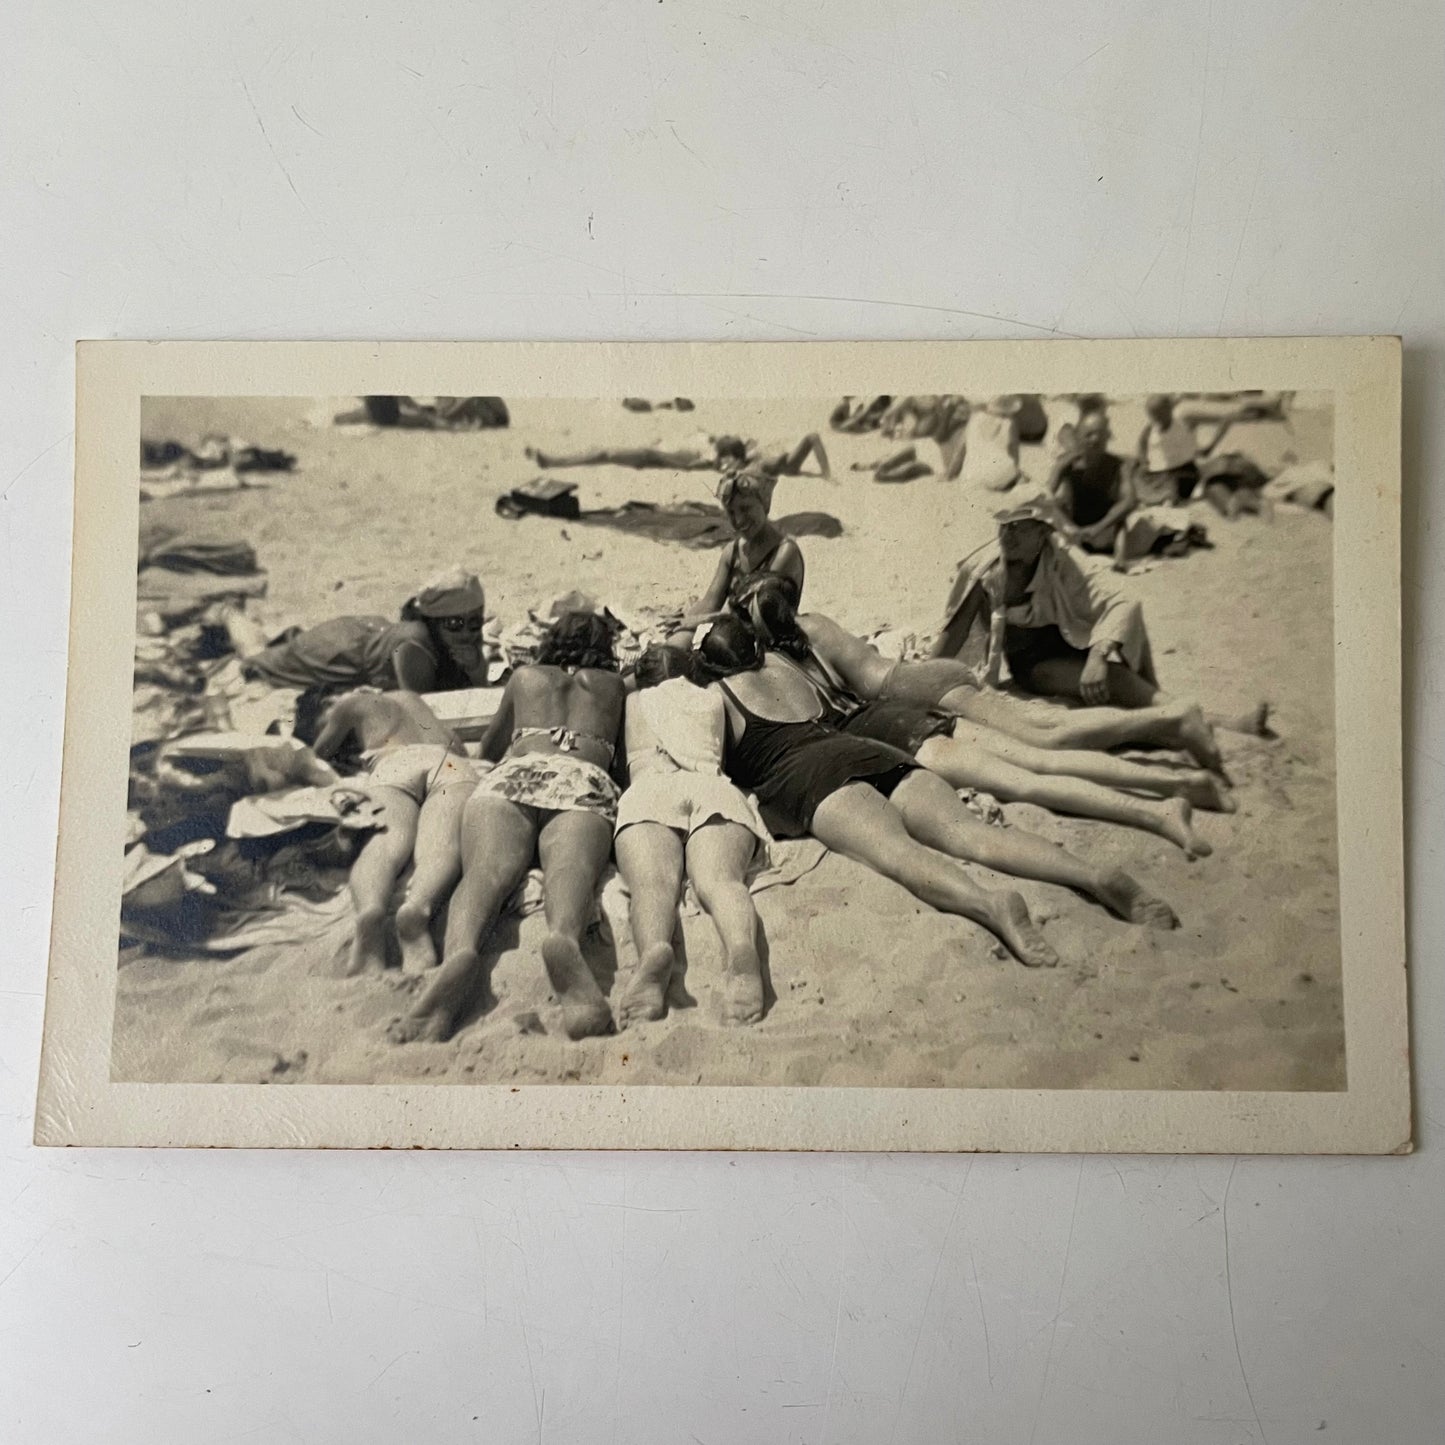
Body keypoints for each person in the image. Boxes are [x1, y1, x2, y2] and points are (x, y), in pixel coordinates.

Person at [697, 617, 1178, 969]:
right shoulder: (787, 663)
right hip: (865, 749)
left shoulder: (717, 697)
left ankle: (990, 904)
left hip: (811, 779)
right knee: (967, 833)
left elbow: (707, 763)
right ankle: (1091, 874)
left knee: (900, 855)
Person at [741, 577, 1227, 856]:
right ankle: (1180, 785)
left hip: (935, 693)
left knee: (1047, 737)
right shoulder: (812, 629)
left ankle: (1171, 723)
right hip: (929, 684)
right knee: (1041, 751)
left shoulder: (796, 645)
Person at [389, 611, 627, 1044]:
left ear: (551, 642)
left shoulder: (524, 677)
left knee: (485, 874)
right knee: (569, 870)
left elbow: (493, 746)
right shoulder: (616, 688)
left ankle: (460, 954)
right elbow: (620, 759)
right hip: (580, 779)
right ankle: (563, 940)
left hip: (514, 778)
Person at [931, 504, 1269, 733]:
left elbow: (1123, 599)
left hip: (1076, 638)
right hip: (1035, 663)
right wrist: (922, 684)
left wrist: (1097, 653)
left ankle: (1197, 716)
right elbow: (953, 634)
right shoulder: (984, 571)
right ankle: (1213, 721)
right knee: (1119, 684)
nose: (1008, 535)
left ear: (1042, 533)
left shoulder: (1062, 558)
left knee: (1126, 662)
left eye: (1019, 527)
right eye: (1004, 526)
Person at [613, 646, 771, 1028]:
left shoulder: (634, 700)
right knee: (721, 882)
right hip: (712, 787)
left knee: (653, 886)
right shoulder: (713, 698)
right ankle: (740, 950)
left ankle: (654, 951)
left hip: (651, 788)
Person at [303, 688, 483, 976]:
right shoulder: (411, 696)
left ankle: (370, 911)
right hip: (448, 761)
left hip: (395, 763)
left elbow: (315, 756)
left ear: (328, 699)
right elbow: (458, 747)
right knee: (442, 846)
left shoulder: (350, 703)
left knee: (385, 845)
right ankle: (418, 909)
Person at [221, 565, 489, 694]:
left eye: (474, 622)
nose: (467, 632)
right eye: (454, 624)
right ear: (433, 620)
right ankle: (227, 610)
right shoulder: (414, 644)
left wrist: (475, 665)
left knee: (270, 648)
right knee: (257, 659)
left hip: (363, 636)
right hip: (337, 652)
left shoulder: (460, 635)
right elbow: (421, 707)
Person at [676, 471, 806, 632]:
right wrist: (683, 621)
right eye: (731, 512)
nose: (738, 519)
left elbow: (753, 612)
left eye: (745, 508)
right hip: (735, 630)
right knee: (679, 639)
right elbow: (710, 603)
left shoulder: (785, 552)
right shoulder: (732, 552)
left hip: (771, 637)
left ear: (765, 504)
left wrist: (700, 621)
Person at [526, 431, 830, 479]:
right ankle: (552, 461)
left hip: (661, 454)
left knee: (606, 453)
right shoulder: (758, 460)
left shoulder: (753, 461)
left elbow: (812, 437)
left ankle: (552, 461)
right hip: (655, 453)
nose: (725, 468)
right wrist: (825, 474)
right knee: (606, 452)